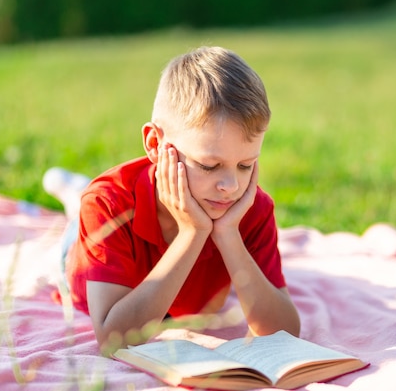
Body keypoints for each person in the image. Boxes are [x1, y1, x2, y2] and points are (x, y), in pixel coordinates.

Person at [44, 46, 301, 354]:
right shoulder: (106, 204)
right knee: (77, 222)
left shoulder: (250, 208)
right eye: (209, 165)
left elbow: (285, 332)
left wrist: (228, 234)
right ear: (155, 144)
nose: (231, 186)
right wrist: (192, 232)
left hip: (176, 300)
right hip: (89, 263)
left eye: (246, 165)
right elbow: (114, 339)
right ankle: (74, 193)